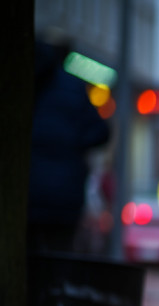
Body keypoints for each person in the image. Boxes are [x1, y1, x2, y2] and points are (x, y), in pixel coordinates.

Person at [28, 39, 111, 254]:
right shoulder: (72, 88)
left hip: (27, 191)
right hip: (64, 197)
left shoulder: (23, 81)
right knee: (57, 257)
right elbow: (100, 133)